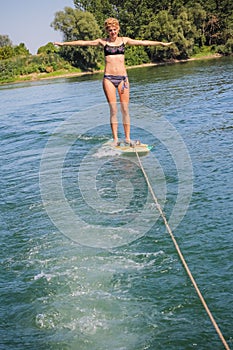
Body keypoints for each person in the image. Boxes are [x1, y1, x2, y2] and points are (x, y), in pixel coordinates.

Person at [54, 17, 173, 146]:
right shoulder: (103, 42)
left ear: (118, 29)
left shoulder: (124, 40)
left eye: (115, 29)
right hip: (109, 78)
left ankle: (127, 138)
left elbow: (143, 42)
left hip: (123, 78)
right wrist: (64, 44)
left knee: (125, 109)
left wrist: (161, 43)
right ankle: (116, 139)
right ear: (107, 31)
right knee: (113, 109)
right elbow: (83, 43)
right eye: (110, 30)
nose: (113, 32)